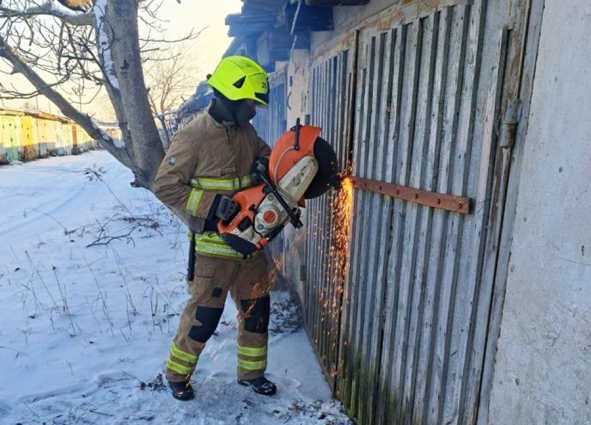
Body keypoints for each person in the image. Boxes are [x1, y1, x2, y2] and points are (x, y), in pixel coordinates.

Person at [152, 55, 275, 401]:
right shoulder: (192, 137)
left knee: (257, 313)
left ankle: (252, 374)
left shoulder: (246, 132)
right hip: (212, 250)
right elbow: (165, 185)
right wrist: (211, 205)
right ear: (230, 96)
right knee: (204, 317)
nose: (253, 111)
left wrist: (264, 165)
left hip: (249, 246)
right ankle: (177, 376)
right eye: (249, 102)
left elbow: (265, 153)